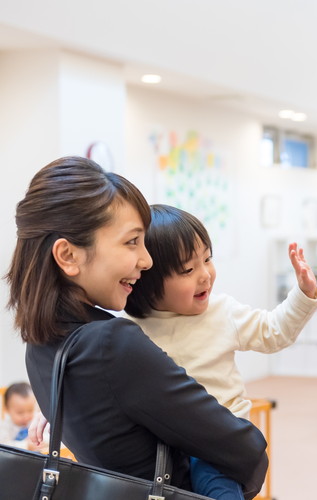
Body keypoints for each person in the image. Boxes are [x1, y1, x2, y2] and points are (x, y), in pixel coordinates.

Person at [6, 156, 268, 497]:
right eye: (132, 242)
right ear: (68, 256)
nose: (146, 261)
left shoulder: (41, 347)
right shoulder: (111, 344)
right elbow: (243, 447)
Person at [123, 203, 317, 499]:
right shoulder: (132, 329)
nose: (205, 275)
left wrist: (303, 295)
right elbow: (106, 380)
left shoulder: (221, 312)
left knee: (219, 489)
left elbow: (273, 332)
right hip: (165, 442)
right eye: (188, 269)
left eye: (207, 259)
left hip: (218, 441)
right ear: (149, 282)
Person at [0, 382, 45, 451]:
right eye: (20, 412)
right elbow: (4, 445)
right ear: (7, 409)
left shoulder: (36, 420)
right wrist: (26, 445)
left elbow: (49, 436)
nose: (26, 416)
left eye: (30, 410)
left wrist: (41, 441)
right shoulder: (4, 426)